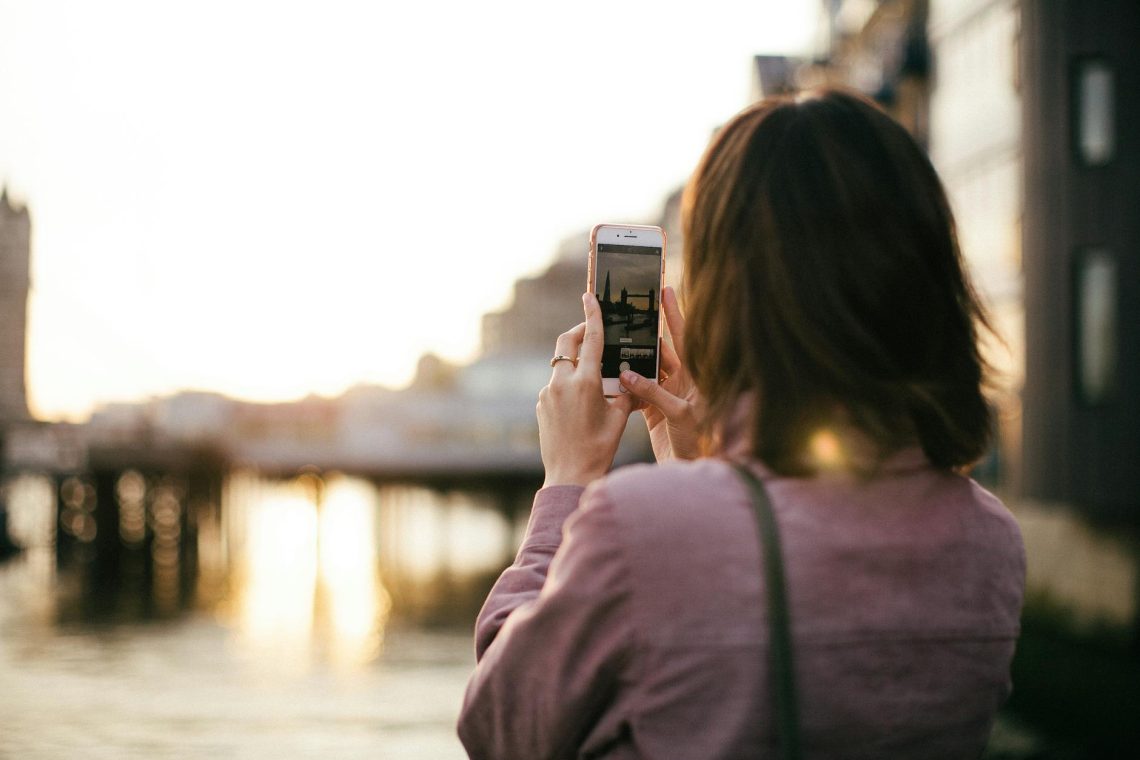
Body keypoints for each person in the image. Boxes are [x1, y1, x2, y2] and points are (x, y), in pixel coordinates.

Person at [457, 88, 1026, 759]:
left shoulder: (638, 526)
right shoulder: (989, 543)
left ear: (732, 287)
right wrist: (710, 473)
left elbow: (500, 724)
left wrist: (569, 480)